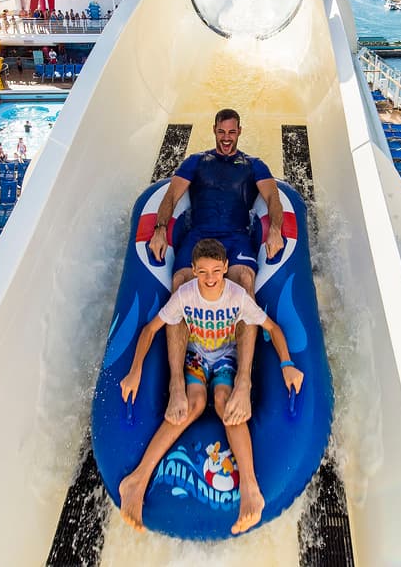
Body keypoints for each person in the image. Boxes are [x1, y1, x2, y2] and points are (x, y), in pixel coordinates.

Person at [118, 239, 303, 535]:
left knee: (224, 401)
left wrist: (286, 364)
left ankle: (250, 490)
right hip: (196, 357)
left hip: (226, 359)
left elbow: (273, 328)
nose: (210, 278)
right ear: (193, 270)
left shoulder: (238, 296)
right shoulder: (185, 295)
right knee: (192, 403)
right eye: (202, 272)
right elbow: (151, 329)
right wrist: (135, 370)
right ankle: (136, 481)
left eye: (216, 271)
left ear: (226, 268)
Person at [148, 108, 283, 427]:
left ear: (239, 131)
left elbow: (273, 198)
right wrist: (159, 229)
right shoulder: (196, 161)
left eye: (232, 132)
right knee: (180, 286)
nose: (226, 138)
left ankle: (243, 380)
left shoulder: (253, 165)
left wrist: (274, 228)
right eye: (221, 132)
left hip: (236, 238)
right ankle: (178, 384)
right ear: (214, 130)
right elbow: (171, 195)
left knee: (244, 283)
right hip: (198, 235)